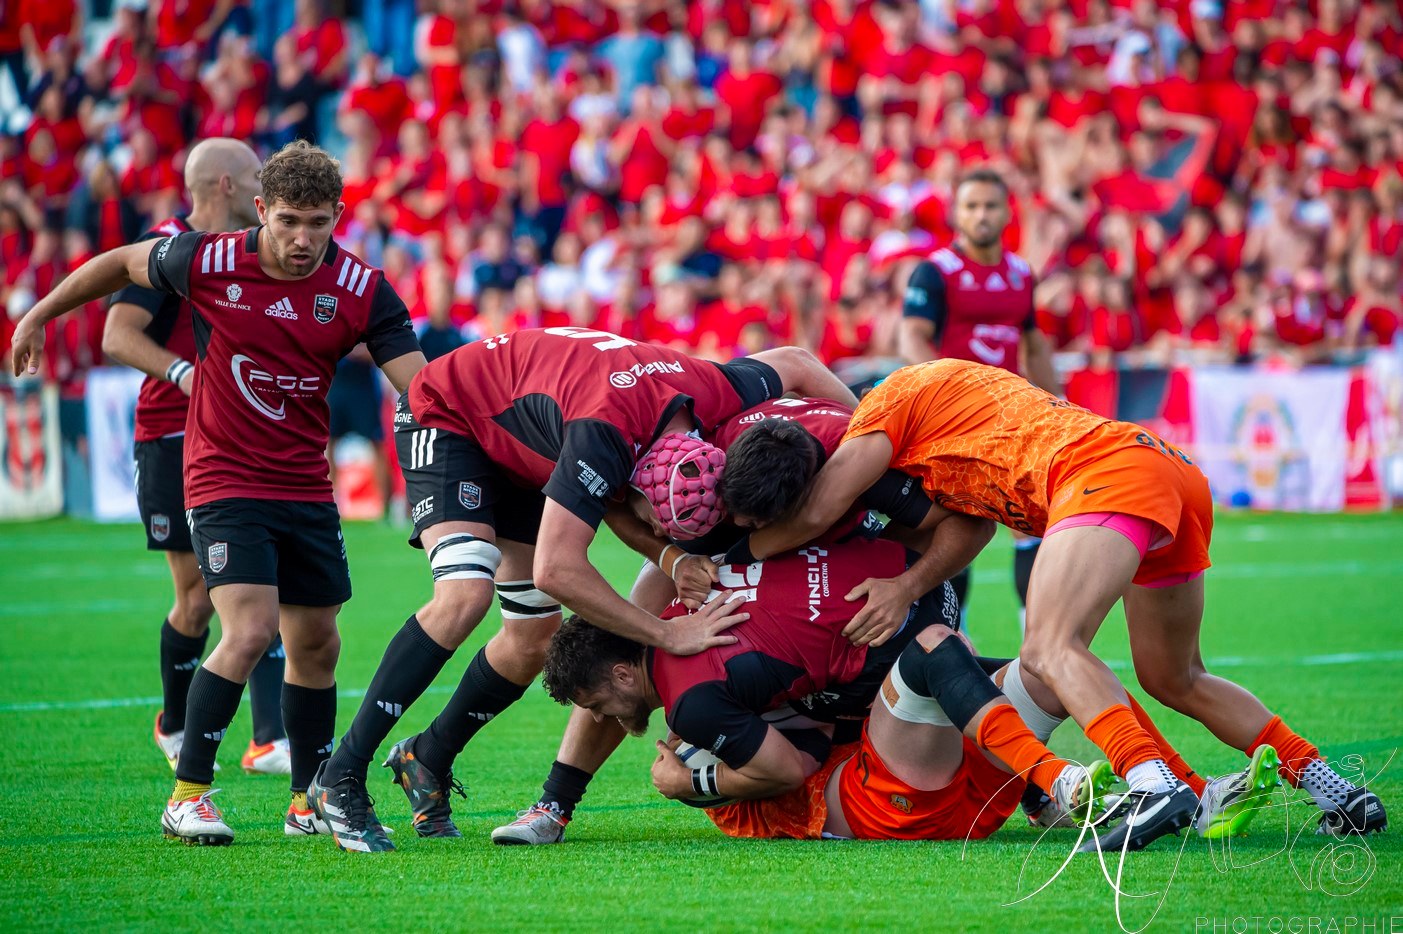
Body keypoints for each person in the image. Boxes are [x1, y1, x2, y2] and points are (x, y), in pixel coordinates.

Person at [724, 360, 1388, 850]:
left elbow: (821, 502)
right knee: (1175, 677)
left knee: (1048, 647)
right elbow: (971, 530)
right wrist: (906, 581)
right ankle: (1335, 790)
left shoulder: (877, 413)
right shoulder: (933, 424)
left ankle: (1154, 783)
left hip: (1099, 473)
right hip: (1166, 470)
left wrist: (715, 553)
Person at [10, 141, 426, 846]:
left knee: (318, 643)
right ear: (259, 209)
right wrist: (38, 314)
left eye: (318, 223)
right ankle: (188, 795)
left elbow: (421, 386)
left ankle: (306, 801)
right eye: (289, 219)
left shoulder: (360, 289)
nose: (302, 239)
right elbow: (116, 265)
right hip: (223, 477)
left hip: (304, 485)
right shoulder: (206, 259)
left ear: (338, 217)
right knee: (250, 628)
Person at [308, 327, 859, 854]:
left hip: (534, 434)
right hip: (450, 413)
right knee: (465, 594)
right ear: (634, 477)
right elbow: (557, 570)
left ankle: (429, 755)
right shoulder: (606, 438)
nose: (660, 534)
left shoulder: (708, 390)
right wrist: (667, 631)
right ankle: (341, 776)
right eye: (659, 524)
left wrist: (861, 434)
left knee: (532, 639)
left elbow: (800, 364)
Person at [492, 395, 993, 845]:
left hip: (895, 613)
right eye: (733, 518)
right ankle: (555, 802)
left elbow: (970, 523)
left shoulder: (855, 465)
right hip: (857, 596)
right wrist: (676, 565)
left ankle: (1031, 770)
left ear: (810, 504)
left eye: (755, 526)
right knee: (637, 638)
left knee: (893, 672)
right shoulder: (714, 482)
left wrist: (906, 586)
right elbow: (793, 360)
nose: (744, 531)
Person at [541, 539, 1119, 837]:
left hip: (926, 791)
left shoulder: (697, 713)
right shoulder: (700, 692)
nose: (613, 722)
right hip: (897, 795)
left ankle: (1133, 782)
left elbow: (803, 749)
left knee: (1043, 667)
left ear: (622, 673)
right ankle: (1052, 779)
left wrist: (692, 778)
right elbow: (805, 749)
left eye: (599, 706)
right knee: (940, 655)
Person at [101, 137, 292, 780]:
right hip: (169, 435)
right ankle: (175, 723)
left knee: (262, 576)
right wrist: (185, 373)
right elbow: (116, 334)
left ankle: (270, 738)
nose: (268, 185)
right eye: (257, 176)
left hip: (237, 437)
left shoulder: (249, 253)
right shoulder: (166, 250)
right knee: (198, 599)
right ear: (226, 187)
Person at [897, 169, 1060, 632]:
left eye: (990, 205)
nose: (981, 215)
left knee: (1030, 522)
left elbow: (1034, 343)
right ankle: (953, 634)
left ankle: (1040, 638)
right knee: (957, 522)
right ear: (955, 214)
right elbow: (911, 337)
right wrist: (951, 390)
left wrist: (1059, 403)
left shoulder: (1020, 273)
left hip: (1011, 416)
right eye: (971, 206)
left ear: (1007, 211)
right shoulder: (936, 272)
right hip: (957, 417)